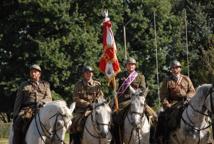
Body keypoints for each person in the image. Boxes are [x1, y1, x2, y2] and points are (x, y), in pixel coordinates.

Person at [112, 57, 156, 144]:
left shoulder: (140, 76)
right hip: (124, 101)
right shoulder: (120, 75)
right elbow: (114, 87)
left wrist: (135, 92)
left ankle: (152, 139)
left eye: (133, 64)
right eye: (129, 64)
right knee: (115, 118)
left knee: (154, 116)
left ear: (135, 66)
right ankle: (118, 139)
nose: (131, 66)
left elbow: (143, 89)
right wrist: (112, 80)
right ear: (126, 66)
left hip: (137, 100)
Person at [156, 60, 195, 144]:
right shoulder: (167, 80)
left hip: (186, 102)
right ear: (171, 69)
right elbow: (163, 95)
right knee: (162, 116)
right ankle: (164, 137)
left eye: (177, 67)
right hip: (173, 104)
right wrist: (167, 104)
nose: (175, 69)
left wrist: (188, 98)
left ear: (180, 68)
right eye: (173, 68)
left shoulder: (186, 78)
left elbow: (192, 91)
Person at [13, 64, 52, 144]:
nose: (33, 73)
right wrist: (15, 115)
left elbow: (49, 98)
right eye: (31, 72)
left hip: (42, 108)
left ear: (39, 74)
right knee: (18, 123)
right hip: (28, 109)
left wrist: (42, 102)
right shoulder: (24, 85)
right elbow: (18, 101)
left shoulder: (45, 85)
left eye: (35, 72)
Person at [69, 65, 104, 144]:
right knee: (74, 122)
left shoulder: (97, 84)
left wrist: (96, 103)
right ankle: (74, 140)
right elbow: (75, 98)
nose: (89, 74)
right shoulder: (78, 84)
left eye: (90, 72)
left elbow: (101, 96)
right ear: (83, 74)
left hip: (95, 108)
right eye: (87, 73)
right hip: (82, 110)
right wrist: (87, 104)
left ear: (93, 74)